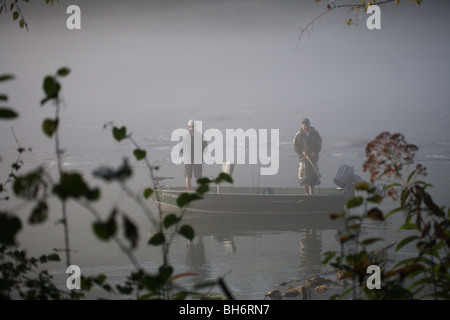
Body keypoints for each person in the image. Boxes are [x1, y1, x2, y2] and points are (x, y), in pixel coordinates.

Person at [293, 118, 322, 195]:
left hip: (313, 158)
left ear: (309, 124)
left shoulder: (315, 133)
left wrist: (315, 152)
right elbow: (295, 147)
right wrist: (302, 152)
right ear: (301, 126)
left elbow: (319, 144)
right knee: (304, 177)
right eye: (303, 125)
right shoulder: (298, 135)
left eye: (306, 125)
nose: (305, 127)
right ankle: (306, 193)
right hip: (303, 159)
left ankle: (312, 192)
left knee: (313, 176)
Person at [180, 119, 208, 190]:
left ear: (189, 126)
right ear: (195, 126)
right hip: (197, 159)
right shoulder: (200, 135)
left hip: (188, 160)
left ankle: (189, 193)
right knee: (198, 178)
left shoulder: (186, 135)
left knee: (188, 178)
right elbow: (205, 147)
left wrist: (185, 154)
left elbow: (180, 149)